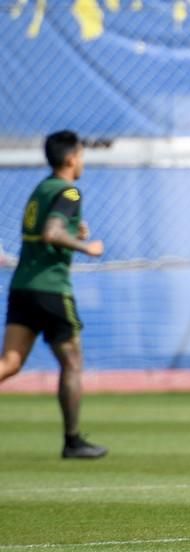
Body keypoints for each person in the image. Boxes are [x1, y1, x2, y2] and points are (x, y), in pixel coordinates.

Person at [0, 130, 108, 459]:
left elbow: (45, 228)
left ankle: (74, 440)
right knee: (72, 362)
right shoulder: (69, 192)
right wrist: (85, 245)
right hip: (50, 288)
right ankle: (73, 441)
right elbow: (51, 232)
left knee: (10, 362)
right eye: (82, 155)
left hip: (23, 286)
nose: (83, 162)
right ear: (71, 158)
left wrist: (75, 229)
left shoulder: (41, 189)